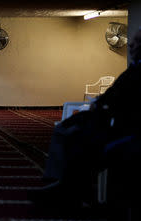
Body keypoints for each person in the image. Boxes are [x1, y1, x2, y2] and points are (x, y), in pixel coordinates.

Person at [29, 28, 141, 206]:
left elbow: (125, 103)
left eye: (135, 44)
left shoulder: (137, 72)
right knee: (66, 129)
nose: (130, 47)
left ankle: (69, 190)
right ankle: (61, 183)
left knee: (82, 141)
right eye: (132, 43)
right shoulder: (133, 69)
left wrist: (105, 106)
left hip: (127, 131)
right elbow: (113, 94)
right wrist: (100, 103)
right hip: (109, 120)